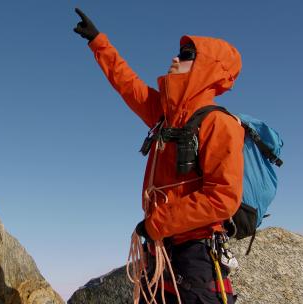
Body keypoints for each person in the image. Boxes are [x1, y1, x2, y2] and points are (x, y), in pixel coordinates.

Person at [73, 8, 244, 304]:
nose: (175, 59)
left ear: (205, 67)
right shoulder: (166, 116)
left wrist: (156, 223)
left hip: (196, 256)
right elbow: (129, 86)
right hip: (161, 250)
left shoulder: (219, 123)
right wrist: (99, 42)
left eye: (186, 54)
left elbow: (223, 197)